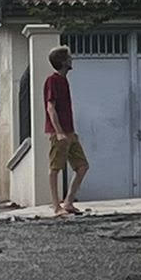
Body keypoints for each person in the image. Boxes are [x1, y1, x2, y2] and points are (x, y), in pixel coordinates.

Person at [43, 46, 90, 218]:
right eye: (69, 57)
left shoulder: (64, 80)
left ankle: (68, 202)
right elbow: (50, 107)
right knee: (55, 168)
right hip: (59, 133)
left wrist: (69, 132)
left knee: (82, 166)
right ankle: (56, 207)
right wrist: (59, 132)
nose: (72, 59)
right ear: (63, 62)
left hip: (69, 132)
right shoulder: (52, 81)